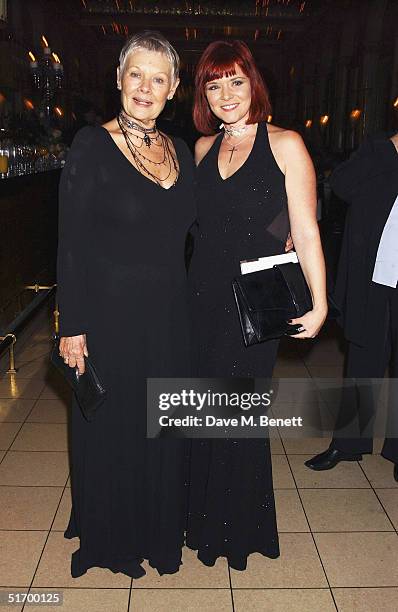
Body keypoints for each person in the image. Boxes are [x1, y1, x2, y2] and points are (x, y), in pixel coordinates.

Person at [56, 31, 196, 578]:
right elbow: (70, 241)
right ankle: (112, 537)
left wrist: (282, 235)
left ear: (174, 90)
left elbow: (216, 222)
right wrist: (74, 325)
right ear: (118, 79)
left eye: (158, 78)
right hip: (108, 318)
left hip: (169, 317)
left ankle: (157, 529)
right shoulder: (91, 145)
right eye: (135, 74)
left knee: (160, 424)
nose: (145, 87)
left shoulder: (181, 151)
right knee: (112, 427)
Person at [185, 40, 327, 570]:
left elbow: (307, 228)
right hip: (199, 294)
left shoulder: (286, 143)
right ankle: (200, 519)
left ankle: (237, 531)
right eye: (213, 84)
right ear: (203, 93)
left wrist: (319, 304)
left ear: (253, 84)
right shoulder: (200, 149)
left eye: (235, 81)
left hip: (255, 300)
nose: (225, 94)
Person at [305, 132, 398, 481]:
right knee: (362, 361)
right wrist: (392, 149)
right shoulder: (379, 152)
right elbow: (341, 185)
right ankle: (347, 444)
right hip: (374, 276)